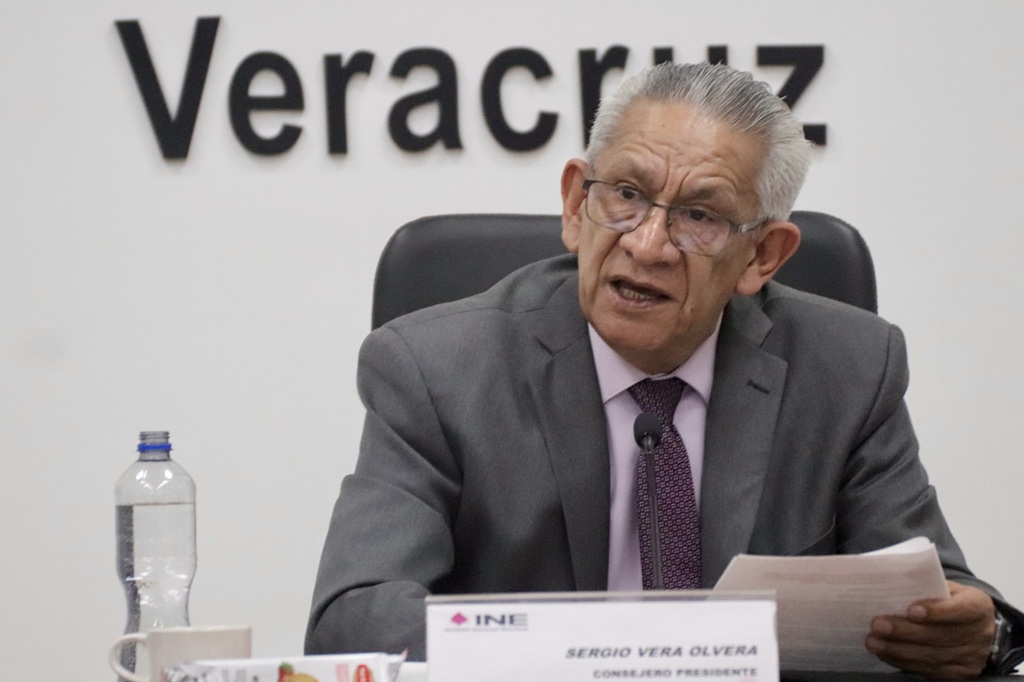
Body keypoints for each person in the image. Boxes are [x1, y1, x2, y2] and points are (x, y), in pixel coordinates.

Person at [306, 62, 1023, 677]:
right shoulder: (436, 370)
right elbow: (355, 621)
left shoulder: (849, 369)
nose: (647, 245)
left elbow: (944, 599)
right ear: (574, 204)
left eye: (700, 216)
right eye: (626, 195)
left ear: (762, 256)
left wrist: (982, 633)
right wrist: (604, 653)